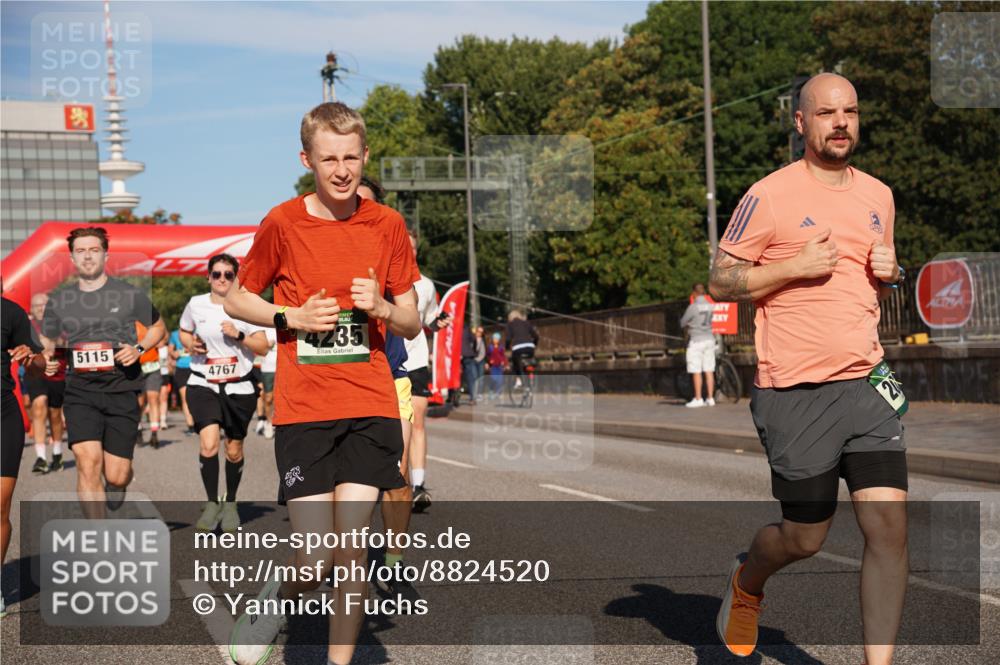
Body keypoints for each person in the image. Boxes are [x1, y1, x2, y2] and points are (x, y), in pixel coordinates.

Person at [709, 73, 907, 665]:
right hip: (794, 392)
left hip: (868, 384)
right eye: (826, 113)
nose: (840, 122)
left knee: (889, 531)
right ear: (801, 123)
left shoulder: (879, 195)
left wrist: (893, 270)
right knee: (805, 537)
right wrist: (793, 267)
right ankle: (748, 581)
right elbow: (722, 277)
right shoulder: (768, 196)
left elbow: (874, 278)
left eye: (849, 111)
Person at [223, 101, 421, 665]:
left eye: (351, 157)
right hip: (305, 409)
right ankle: (278, 600)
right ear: (306, 157)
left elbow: (411, 318)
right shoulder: (283, 222)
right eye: (328, 158)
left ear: (365, 156)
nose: (341, 169)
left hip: (370, 401)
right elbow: (237, 297)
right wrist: (292, 317)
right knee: (316, 559)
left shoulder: (387, 224)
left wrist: (382, 305)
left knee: (351, 549)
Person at [41, 226, 166, 514]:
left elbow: (157, 327)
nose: (87, 256)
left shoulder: (128, 293)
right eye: (81, 251)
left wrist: (138, 348)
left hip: (121, 389)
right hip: (80, 391)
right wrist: (48, 353)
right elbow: (48, 336)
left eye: (93, 250)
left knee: (117, 474)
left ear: (105, 255)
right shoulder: (60, 299)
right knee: (87, 464)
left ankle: (118, 484)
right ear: (72, 258)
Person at [357, 175, 421, 602]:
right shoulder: (314, 248)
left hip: (388, 378)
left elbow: (412, 323)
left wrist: (384, 305)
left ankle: (395, 560)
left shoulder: (393, 255)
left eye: (366, 205)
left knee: (395, 478)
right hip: (332, 382)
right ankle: (350, 560)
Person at [179, 253, 269, 533]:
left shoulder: (248, 305)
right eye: (216, 274)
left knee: (234, 450)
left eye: (228, 275)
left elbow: (263, 347)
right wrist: (191, 343)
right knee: (208, 444)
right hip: (203, 382)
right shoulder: (196, 304)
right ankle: (211, 503)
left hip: (239, 385)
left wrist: (239, 336)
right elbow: (183, 331)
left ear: (236, 278)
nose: (222, 279)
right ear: (208, 277)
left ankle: (230, 502)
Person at [402, 229, 452, 513]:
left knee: (417, 421)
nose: (409, 251)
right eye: (403, 246)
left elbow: (431, 317)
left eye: (412, 247)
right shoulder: (382, 280)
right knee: (396, 428)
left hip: (417, 361)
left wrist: (438, 321)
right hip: (387, 363)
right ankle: (398, 482)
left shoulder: (426, 285)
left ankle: (418, 486)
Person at [2, 295, 46, 616]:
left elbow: (40, 367)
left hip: (3, 417)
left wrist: (30, 359)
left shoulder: (11, 313)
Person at [23, 293, 67, 473]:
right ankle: (41, 457)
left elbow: (62, 343)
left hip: (58, 373)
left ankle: (57, 454)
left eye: (45, 305)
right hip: (36, 374)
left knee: (55, 414)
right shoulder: (26, 326)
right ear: (31, 310)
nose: (41, 308)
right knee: (39, 405)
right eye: (37, 305)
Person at [680, 283, 716, 408]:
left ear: (694, 293)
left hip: (696, 340)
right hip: (709, 339)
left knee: (696, 370)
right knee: (709, 370)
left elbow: (683, 322)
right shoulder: (711, 306)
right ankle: (711, 398)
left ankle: (698, 398)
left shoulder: (693, 307)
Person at [135, 321, 164, 448]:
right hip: (136, 367)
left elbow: (164, 337)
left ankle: (154, 434)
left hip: (152, 366)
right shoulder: (130, 323)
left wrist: (157, 339)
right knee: (139, 403)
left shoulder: (152, 321)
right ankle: (138, 428)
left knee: (153, 399)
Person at [168, 328, 195, 434]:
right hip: (181, 369)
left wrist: (184, 351)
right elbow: (171, 351)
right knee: (185, 398)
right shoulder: (174, 334)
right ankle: (190, 426)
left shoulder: (197, 331)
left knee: (198, 397)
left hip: (196, 367)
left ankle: (200, 422)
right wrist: (174, 353)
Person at [504, 309, 539, 386]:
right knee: (530, 361)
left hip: (518, 348)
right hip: (530, 347)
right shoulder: (526, 323)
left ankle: (518, 380)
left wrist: (507, 348)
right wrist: (534, 345)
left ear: (510, 318)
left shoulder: (510, 324)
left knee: (515, 363)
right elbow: (536, 336)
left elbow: (508, 339)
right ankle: (530, 375)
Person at [258, 326, 277, 439]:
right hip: (268, 367)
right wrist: (265, 345)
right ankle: (269, 423)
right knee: (268, 397)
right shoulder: (263, 327)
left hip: (284, 366)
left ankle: (279, 423)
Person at [486, 331, 506, 401]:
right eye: (494, 339)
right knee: (493, 379)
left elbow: (503, 356)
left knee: (499, 380)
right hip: (493, 366)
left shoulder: (501, 347)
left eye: (497, 339)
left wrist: (504, 362)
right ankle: (491, 391)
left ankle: (498, 393)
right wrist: (489, 361)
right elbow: (487, 355)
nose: (495, 340)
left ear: (499, 340)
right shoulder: (490, 347)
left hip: (499, 365)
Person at [157, 339, 171, 430]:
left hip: (164, 374)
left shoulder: (167, 349)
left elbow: (171, 360)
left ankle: (163, 421)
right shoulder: (149, 348)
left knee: (164, 397)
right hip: (151, 374)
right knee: (153, 399)